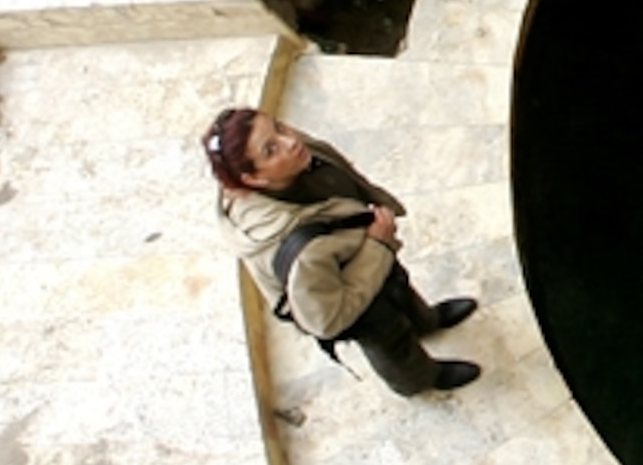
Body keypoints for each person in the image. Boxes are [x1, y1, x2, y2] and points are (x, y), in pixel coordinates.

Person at [203, 106, 480, 394]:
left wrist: (376, 241)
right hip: (347, 298)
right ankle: (419, 379)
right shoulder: (297, 249)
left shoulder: (295, 157)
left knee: (399, 286)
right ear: (253, 179)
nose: (291, 141)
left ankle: (426, 321)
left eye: (279, 127)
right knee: (389, 338)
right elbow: (329, 319)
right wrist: (377, 245)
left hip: (365, 249)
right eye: (270, 150)